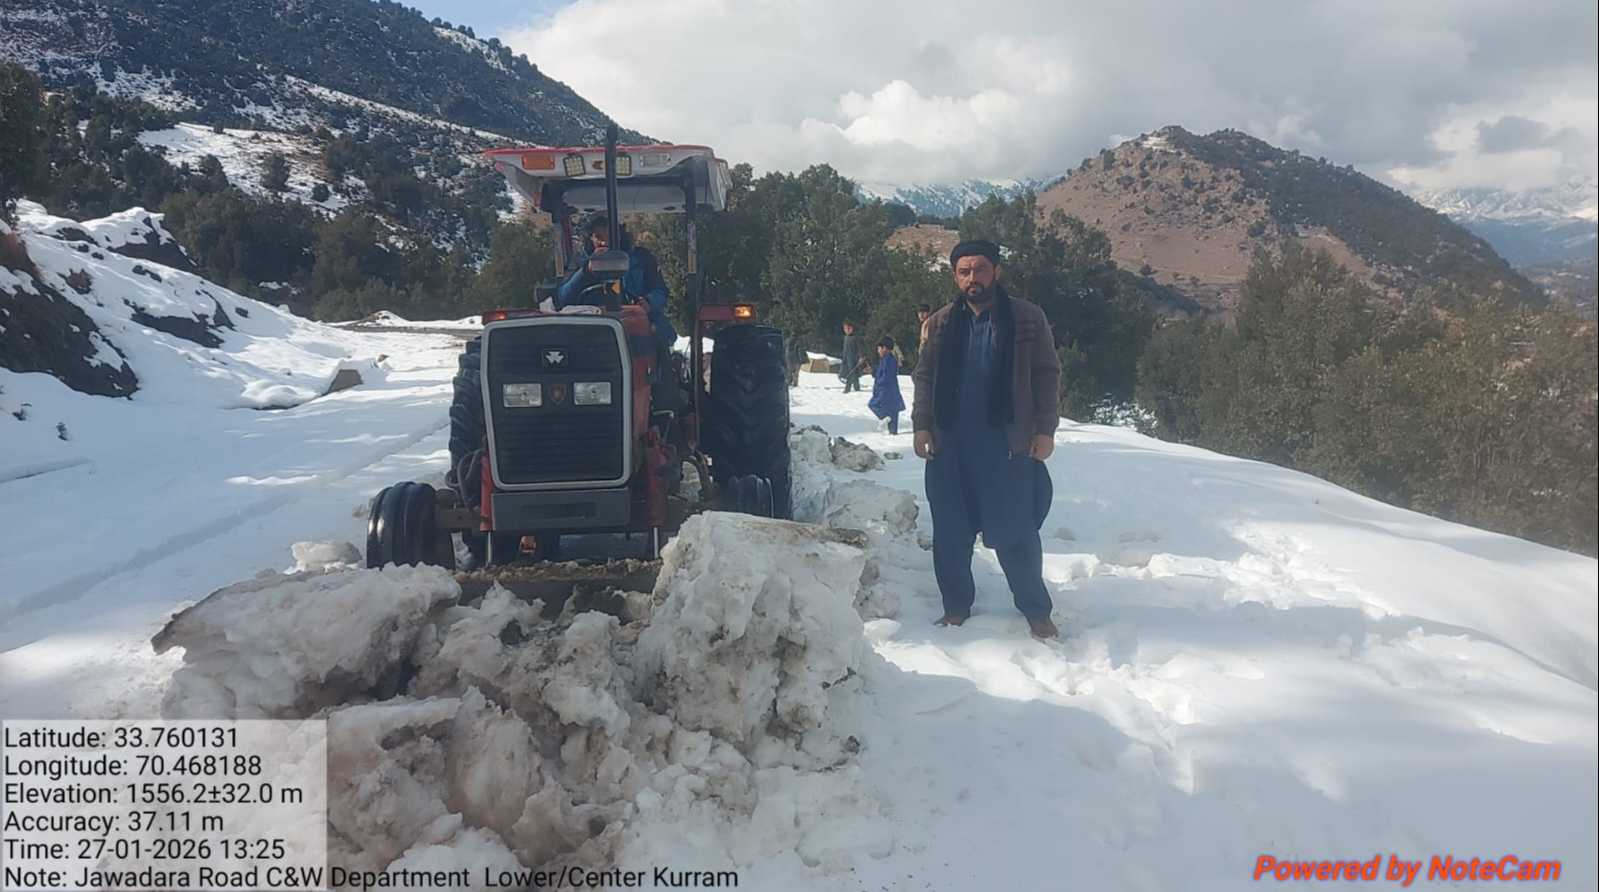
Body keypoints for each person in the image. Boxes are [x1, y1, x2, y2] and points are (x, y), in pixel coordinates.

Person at [912, 239, 1062, 639]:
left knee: (1017, 533)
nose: (972, 278)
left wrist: (1045, 429)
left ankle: (1036, 611)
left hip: (1007, 446)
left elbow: (1046, 374)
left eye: (980, 269)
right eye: (964, 271)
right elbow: (924, 377)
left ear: (996, 271)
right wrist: (921, 425)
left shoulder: (1027, 318)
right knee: (950, 533)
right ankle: (955, 607)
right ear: (955, 276)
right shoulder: (941, 323)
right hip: (950, 445)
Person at [557, 214, 677, 359]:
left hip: (634, 322)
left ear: (620, 236)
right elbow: (563, 298)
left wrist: (648, 302)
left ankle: (660, 373)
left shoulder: (641, 258)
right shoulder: (579, 263)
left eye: (610, 236)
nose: (604, 242)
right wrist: (585, 272)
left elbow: (660, 292)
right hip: (591, 327)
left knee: (659, 336)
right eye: (599, 237)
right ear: (591, 239)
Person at [868, 336, 906, 434]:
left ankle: (884, 417)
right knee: (893, 413)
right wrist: (873, 371)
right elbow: (880, 372)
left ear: (884, 348)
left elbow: (886, 376)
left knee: (873, 404)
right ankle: (892, 432)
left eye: (879, 349)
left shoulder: (888, 360)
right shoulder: (886, 359)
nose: (878, 351)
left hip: (885, 391)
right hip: (891, 393)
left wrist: (879, 384)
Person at [839, 320, 866, 393]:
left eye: (848, 328)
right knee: (852, 373)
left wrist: (861, 356)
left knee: (851, 373)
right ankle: (856, 387)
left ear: (852, 328)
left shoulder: (855, 337)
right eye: (845, 328)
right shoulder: (846, 337)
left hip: (853, 358)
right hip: (846, 358)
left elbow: (860, 348)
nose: (847, 330)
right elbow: (845, 349)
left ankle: (847, 388)